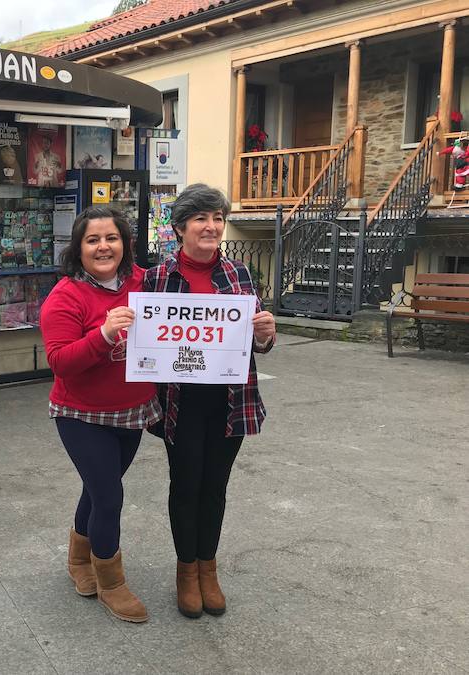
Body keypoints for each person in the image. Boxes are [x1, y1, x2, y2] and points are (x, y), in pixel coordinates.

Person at [143, 183, 276, 619]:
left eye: (218, 218)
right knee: (186, 485)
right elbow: (147, 343)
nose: (212, 226)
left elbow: (255, 342)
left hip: (229, 400)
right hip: (180, 403)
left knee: (215, 486)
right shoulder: (157, 277)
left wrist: (266, 334)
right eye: (201, 218)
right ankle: (186, 571)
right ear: (181, 227)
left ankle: (208, 569)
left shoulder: (239, 274)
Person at [40, 205, 159, 623]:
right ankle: (112, 582)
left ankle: (78, 559)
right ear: (79, 248)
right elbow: (60, 362)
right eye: (93, 239)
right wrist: (104, 334)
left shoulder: (149, 283)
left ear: (126, 244)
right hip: (81, 414)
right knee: (109, 494)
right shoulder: (65, 296)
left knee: (97, 489)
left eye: (111, 237)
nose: (103, 246)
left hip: (134, 410)